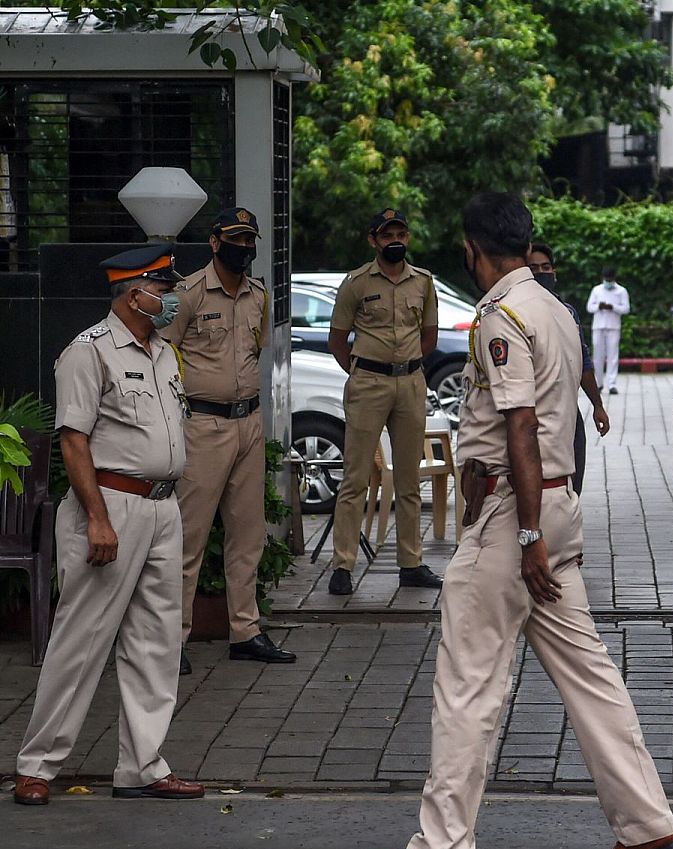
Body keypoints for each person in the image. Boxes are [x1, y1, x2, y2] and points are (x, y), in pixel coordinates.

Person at [357, 193, 673, 849]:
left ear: (474, 250)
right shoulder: (555, 310)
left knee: (468, 681)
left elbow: (522, 428)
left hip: (513, 515)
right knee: (588, 672)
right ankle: (647, 822)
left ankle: (440, 846)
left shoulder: (501, 315)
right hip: (552, 507)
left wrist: (529, 534)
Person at [13, 244, 204, 806]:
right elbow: (73, 440)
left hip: (161, 509)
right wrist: (97, 519)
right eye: (163, 290)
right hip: (110, 506)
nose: (171, 299)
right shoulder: (88, 352)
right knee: (81, 640)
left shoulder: (164, 353)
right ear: (133, 292)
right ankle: (37, 765)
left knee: (157, 641)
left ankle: (143, 766)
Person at [166, 207, 295, 675]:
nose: (244, 247)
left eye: (250, 240)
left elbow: (256, 349)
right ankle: (172, 638)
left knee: (247, 534)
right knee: (188, 538)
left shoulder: (258, 296)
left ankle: (245, 630)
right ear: (215, 243)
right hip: (204, 427)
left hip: (249, 424)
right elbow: (166, 357)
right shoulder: (188, 294)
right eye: (235, 239)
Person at [326, 209, 445, 596]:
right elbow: (337, 339)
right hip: (369, 383)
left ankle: (411, 563)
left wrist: (409, 367)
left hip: (410, 383)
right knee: (355, 477)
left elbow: (429, 334)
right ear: (373, 240)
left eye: (401, 234)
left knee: (409, 479)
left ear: (407, 238)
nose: (395, 240)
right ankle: (343, 564)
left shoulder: (424, 282)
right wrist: (363, 374)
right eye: (387, 234)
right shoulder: (356, 283)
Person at [527, 241, 609, 493]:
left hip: (568, 414)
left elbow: (583, 362)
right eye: (534, 269)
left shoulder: (568, 313)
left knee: (572, 486)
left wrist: (597, 405)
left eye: (546, 267)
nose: (542, 273)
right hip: (533, 414)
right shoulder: (516, 314)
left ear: (555, 272)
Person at [586, 266, 629, 395]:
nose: (608, 282)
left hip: (613, 326)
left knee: (612, 356)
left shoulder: (621, 291)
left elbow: (626, 309)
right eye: (606, 279)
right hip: (598, 325)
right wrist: (599, 306)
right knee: (597, 356)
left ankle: (612, 384)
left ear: (614, 278)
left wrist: (613, 307)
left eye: (610, 279)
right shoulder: (596, 290)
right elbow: (589, 307)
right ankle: (599, 383)